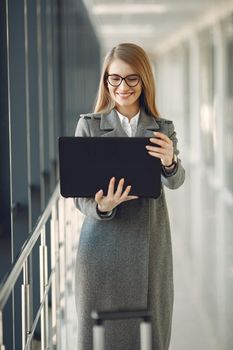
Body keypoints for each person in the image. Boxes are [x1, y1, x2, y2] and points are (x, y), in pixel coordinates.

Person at [74, 42, 185, 350]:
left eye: (132, 78)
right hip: (101, 250)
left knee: (151, 334)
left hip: (151, 244)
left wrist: (170, 161)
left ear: (144, 80)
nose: (123, 87)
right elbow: (77, 194)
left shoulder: (163, 128)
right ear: (106, 81)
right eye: (115, 78)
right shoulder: (90, 126)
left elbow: (176, 182)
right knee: (98, 335)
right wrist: (102, 206)